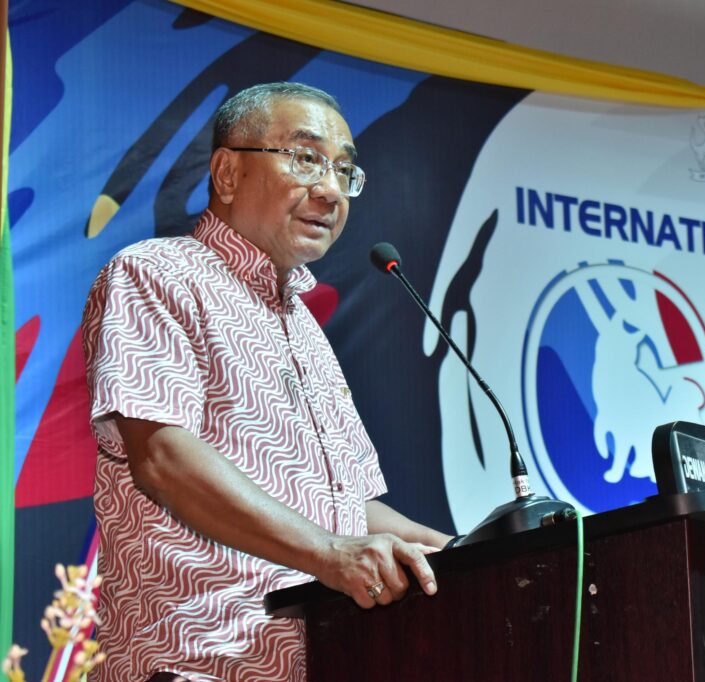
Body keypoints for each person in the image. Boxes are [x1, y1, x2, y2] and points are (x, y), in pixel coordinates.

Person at [82, 82, 453, 682]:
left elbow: (347, 507)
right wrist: (328, 554)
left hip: (321, 660)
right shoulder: (155, 274)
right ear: (228, 174)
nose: (331, 190)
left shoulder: (303, 327)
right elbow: (163, 457)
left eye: (344, 170)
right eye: (305, 158)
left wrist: (463, 553)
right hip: (197, 664)